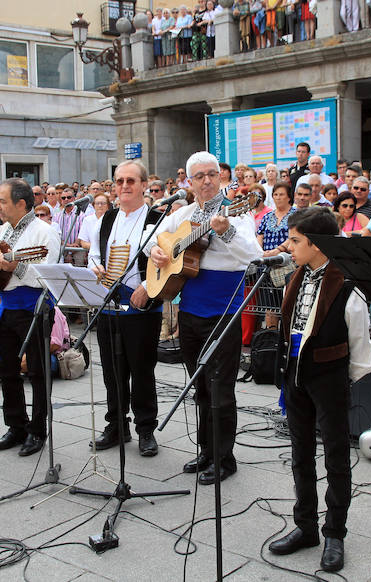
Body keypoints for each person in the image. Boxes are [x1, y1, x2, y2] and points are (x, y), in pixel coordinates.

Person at [147, 151, 261, 485]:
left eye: (213, 174)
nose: (208, 181)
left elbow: (253, 257)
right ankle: (206, 450)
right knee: (199, 386)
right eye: (200, 176)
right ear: (190, 182)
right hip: (191, 308)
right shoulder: (182, 213)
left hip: (224, 310)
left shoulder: (235, 211)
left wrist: (225, 232)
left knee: (221, 388)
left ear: (221, 177)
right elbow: (154, 243)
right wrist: (155, 251)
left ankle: (225, 458)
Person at [268, 207, 371, 573]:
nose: (289, 246)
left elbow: (360, 341)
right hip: (296, 372)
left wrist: (343, 379)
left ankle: (334, 532)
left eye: (295, 241)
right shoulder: (298, 274)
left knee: (335, 456)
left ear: (317, 244)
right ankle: (306, 526)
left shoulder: (346, 284)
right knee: (300, 452)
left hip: (329, 377)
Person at [0, 178, 61, 457]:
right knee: (6, 367)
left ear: (21, 203)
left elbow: (47, 273)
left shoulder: (45, 232)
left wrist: (16, 268)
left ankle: (39, 429)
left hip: (34, 304)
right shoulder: (4, 230)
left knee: (38, 370)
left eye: (3, 201)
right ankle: (17, 425)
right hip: (7, 305)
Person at [87, 161, 163, 457]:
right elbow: (95, 252)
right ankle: (117, 425)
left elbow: (166, 260)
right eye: (119, 181)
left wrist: (147, 286)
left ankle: (146, 429)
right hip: (109, 303)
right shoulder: (105, 220)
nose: (124, 186)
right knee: (111, 371)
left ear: (144, 185)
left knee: (142, 371)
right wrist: (96, 267)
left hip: (142, 304)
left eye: (131, 180)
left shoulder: (158, 218)